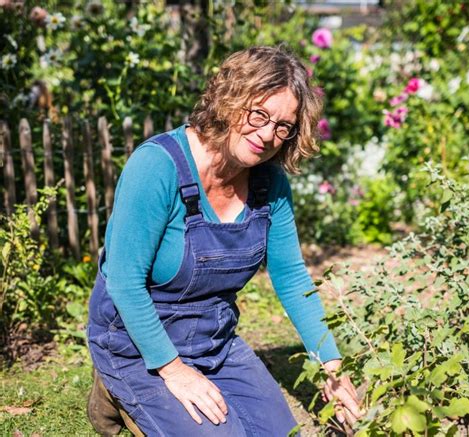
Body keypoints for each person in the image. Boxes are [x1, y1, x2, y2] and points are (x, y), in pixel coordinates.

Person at [87, 45, 362, 436]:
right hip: (135, 342)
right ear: (230, 100)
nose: (268, 135)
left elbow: (292, 278)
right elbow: (124, 282)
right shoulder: (157, 166)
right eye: (259, 114)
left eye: (283, 126)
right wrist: (173, 370)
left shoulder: (270, 185)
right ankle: (118, 390)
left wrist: (332, 367)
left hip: (211, 339)